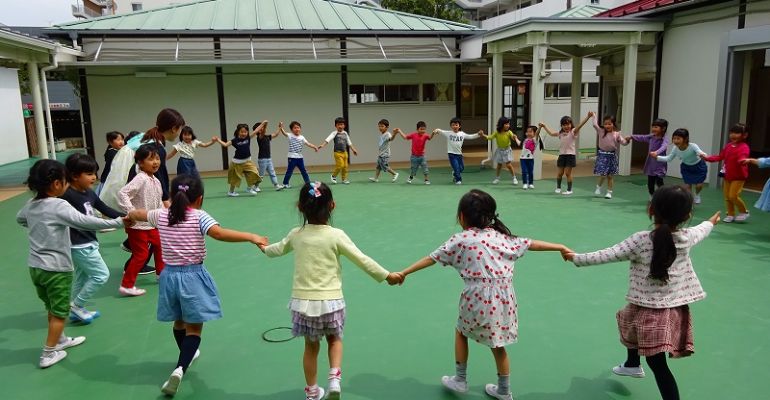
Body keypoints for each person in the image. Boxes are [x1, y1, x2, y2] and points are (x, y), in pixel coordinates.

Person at [398, 189, 572, 400]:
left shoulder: (460, 239)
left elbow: (431, 258)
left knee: (461, 332)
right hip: (504, 299)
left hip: (476, 297)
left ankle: (460, 380)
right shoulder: (502, 238)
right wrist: (560, 246)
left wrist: (404, 272)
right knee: (498, 344)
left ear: (462, 216)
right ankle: (504, 391)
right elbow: (531, 243)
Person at [565, 185, 720, 400]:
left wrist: (576, 258)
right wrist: (710, 222)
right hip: (663, 306)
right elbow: (702, 230)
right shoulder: (687, 236)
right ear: (687, 216)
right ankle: (632, 364)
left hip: (655, 310)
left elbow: (609, 254)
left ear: (650, 210)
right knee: (628, 322)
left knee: (657, 363)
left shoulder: (640, 240)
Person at [128, 175, 268, 396]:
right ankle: (180, 368)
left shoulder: (161, 215)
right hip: (193, 276)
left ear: (172, 196)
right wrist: (251, 236)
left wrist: (129, 218)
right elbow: (219, 233)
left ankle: (186, 356)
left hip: (169, 276)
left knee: (179, 321)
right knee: (194, 328)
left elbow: (138, 214)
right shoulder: (199, 216)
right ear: (200, 198)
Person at [262, 181, 402, 400]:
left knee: (311, 347)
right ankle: (334, 379)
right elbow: (362, 259)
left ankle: (311, 392)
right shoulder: (336, 235)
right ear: (332, 206)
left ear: (300, 207)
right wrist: (386, 275)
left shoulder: (296, 234)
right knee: (335, 339)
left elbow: (276, 250)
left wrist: (261, 245)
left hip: (303, 303)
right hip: (331, 302)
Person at [17, 159, 127, 368]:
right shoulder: (59, 205)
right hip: (56, 268)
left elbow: (20, 219)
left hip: (36, 268)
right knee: (60, 313)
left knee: (51, 306)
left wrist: (39, 226)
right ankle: (48, 354)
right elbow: (85, 222)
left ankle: (61, 340)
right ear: (57, 184)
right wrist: (119, 222)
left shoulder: (31, 205)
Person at [61, 153, 125, 323]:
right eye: (89, 174)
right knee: (101, 275)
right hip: (78, 244)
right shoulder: (66, 195)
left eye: (94, 173)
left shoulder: (89, 193)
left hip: (89, 241)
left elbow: (104, 208)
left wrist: (125, 217)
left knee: (82, 277)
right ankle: (77, 305)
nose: (94, 177)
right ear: (74, 176)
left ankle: (75, 309)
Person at [117, 144, 166, 296]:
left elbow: (158, 202)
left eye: (157, 158)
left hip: (152, 223)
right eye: (151, 159)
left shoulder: (155, 180)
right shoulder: (141, 178)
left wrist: (164, 216)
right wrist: (131, 211)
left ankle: (161, 274)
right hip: (138, 225)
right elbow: (122, 193)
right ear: (140, 162)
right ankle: (126, 285)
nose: (155, 162)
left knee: (160, 246)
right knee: (141, 255)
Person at [701, 123, 751, 222]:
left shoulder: (744, 147)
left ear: (744, 135)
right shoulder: (728, 146)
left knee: (733, 196)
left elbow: (743, 156)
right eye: (732, 132)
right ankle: (731, 214)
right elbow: (720, 157)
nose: (733, 135)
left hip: (739, 176)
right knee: (727, 197)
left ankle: (744, 211)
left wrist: (742, 160)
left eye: (737, 133)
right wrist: (707, 158)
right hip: (727, 175)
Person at [539, 113, 592, 195]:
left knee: (568, 173)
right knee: (560, 173)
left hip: (570, 156)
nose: (566, 126)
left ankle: (569, 190)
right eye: (564, 125)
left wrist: (588, 117)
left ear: (571, 124)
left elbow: (580, 125)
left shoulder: (573, 132)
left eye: (568, 124)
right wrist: (544, 126)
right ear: (561, 126)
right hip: (562, 155)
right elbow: (551, 133)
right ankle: (558, 188)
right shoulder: (560, 133)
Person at [654, 128, 708, 204]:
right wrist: (657, 157)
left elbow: (700, 152)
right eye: (674, 138)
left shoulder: (692, 146)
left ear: (686, 139)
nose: (675, 141)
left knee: (698, 185)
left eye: (678, 139)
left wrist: (703, 155)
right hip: (686, 168)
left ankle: (697, 194)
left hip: (699, 166)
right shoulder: (675, 148)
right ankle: (690, 203)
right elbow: (669, 158)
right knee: (687, 186)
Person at [216, 122, 266, 196]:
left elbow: (256, 131)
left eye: (245, 132)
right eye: (242, 132)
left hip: (248, 162)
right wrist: (217, 140)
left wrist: (263, 124)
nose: (244, 133)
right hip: (237, 163)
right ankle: (231, 192)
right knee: (235, 179)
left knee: (255, 173)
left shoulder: (248, 138)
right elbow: (225, 145)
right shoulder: (234, 140)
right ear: (238, 132)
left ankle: (249, 189)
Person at [625, 119, 670, 199]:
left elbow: (664, 146)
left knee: (659, 181)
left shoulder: (664, 138)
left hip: (660, 163)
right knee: (650, 182)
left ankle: (664, 196)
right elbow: (642, 137)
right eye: (653, 127)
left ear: (663, 128)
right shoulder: (651, 137)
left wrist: (656, 152)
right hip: (651, 164)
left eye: (656, 127)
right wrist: (631, 137)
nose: (653, 129)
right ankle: (652, 195)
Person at [589, 112, 630, 199]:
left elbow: (624, 143)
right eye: (605, 124)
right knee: (603, 174)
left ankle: (609, 192)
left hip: (612, 156)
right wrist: (594, 116)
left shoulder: (617, 134)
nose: (607, 126)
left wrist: (627, 140)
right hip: (602, 155)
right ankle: (598, 187)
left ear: (613, 124)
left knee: (610, 176)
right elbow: (594, 125)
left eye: (609, 124)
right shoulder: (601, 131)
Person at [433, 117, 483, 185]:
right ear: (451, 126)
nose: (455, 126)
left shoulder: (462, 134)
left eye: (456, 125)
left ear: (459, 126)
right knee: (456, 167)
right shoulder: (449, 133)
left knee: (461, 168)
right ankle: (458, 180)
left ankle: (454, 173)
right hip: (451, 154)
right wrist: (436, 130)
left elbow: (470, 136)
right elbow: (440, 131)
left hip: (459, 154)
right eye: (453, 125)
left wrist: (478, 134)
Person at [480, 116, 520, 185]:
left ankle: (514, 178)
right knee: (499, 165)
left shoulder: (509, 132)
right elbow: (490, 137)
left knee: (508, 165)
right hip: (499, 150)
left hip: (507, 150)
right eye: (506, 124)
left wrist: (514, 137)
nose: (508, 125)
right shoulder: (497, 133)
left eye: (508, 124)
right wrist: (483, 135)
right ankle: (497, 178)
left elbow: (513, 138)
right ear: (501, 124)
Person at [318, 117, 358, 185]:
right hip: (337, 153)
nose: (340, 126)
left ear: (344, 125)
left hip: (345, 153)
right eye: (338, 124)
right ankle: (333, 176)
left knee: (345, 166)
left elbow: (349, 142)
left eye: (342, 124)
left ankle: (344, 179)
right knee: (340, 166)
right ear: (335, 126)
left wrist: (353, 150)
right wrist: (322, 145)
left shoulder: (345, 133)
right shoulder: (334, 133)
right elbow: (328, 139)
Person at [280, 121, 319, 189]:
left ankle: (308, 183)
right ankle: (285, 183)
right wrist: (281, 127)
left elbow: (308, 143)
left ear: (300, 129)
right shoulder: (290, 135)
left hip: (300, 158)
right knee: (289, 171)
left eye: (298, 127)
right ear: (292, 130)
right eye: (295, 128)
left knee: (303, 171)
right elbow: (284, 133)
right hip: (292, 157)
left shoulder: (302, 137)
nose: (297, 129)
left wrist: (314, 147)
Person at [254, 120, 285, 191]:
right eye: (260, 128)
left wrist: (280, 127)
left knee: (272, 172)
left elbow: (275, 134)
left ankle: (276, 185)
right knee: (261, 174)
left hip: (269, 159)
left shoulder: (267, 137)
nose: (261, 129)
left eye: (262, 127)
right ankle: (256, 186)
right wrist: (265, 125)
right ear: (257, 131)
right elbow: (263, 131)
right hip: (262, 159)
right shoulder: (259, 137)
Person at [368, 119, 399, 183]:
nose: (380, 128)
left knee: (384, 165)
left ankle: (395, 174)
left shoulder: (387, 134)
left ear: (387, 127)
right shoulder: (382, 135)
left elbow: (391, 139)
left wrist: (394, 134)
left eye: (382, 126)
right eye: (379, 126)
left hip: (385, 154)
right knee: (378, 166)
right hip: (381, 153)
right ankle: (376, 178)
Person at [519, 125, 540, 190]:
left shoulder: (534, 140)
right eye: (527, 132)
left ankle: (531, 183)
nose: (528, 133)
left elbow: (537, 133)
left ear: (534, 133)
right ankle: (525, 183)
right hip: (522, 159)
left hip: (530, 159)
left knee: (530, 172)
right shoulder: (525, 140)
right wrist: (516, 138)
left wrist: (540, 127)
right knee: (524, 171)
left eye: (530, 132)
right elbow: (519, 144)